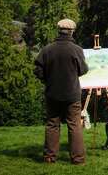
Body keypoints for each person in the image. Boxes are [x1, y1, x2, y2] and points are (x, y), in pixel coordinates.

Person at [34, 19, 89, 164]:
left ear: (58, 31)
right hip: (72, 94)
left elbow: (37, 70)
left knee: (52, 124)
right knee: (75, 125)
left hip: (52, 93)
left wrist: (47, 79)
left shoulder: (47, 49)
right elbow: (83, 70)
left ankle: (49, 157)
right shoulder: (76, 49)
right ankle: (78, 159)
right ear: (71, 31)